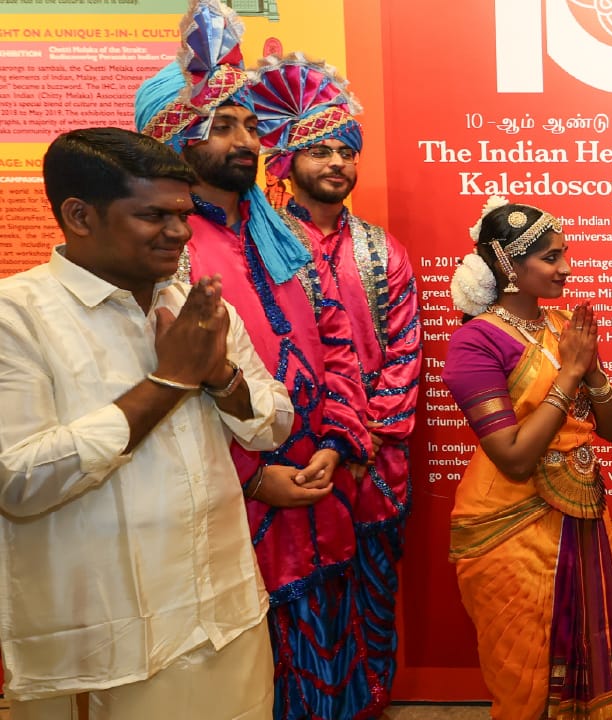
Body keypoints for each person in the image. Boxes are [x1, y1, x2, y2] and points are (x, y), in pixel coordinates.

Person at [134, 2, 377, 717]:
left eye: (249, 125)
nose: (248, 141)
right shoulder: (161, 255)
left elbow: (338, 347)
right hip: (231, 509)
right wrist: (253, 477)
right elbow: (169, 392)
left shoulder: (284, 239)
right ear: (172, 137)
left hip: (316, 489)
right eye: (223, 126)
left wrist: (336, 441)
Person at [0, 127, 292, 719]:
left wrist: (220, 378)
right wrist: (168, 383)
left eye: (183, 215)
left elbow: (272, 425)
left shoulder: (199, 307)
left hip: (225, 614)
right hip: (103, 644)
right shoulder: (17, 317)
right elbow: (19, 482)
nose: (181, 233)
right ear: (80, 215)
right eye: (154, 215)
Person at [248, 55, 422, 701]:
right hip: (289, 461)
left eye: (345, 151)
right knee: (297, 602)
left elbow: (405, 351)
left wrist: (363, 440)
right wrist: (318, 445)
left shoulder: (383, 249)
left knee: (372, 593)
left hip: (371, 464)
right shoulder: (262, 246)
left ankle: (368, 702)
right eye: (318, 150)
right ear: (285, 161)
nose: (336, 164)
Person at [443, 196, 612, 719]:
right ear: (508, 264)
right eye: (551, 258)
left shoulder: (563, 327)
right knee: (524, 668)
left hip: (582, 516)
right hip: (508, 524)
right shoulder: (474, 344)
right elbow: (512, 456)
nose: (566, 268)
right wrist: (571, 374)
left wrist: (593, 371)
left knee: (591, 648)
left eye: (565, 253)